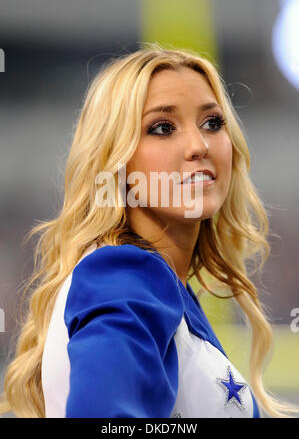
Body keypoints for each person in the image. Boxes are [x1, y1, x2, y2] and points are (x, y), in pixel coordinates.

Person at [0, 44, 298, 418]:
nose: (198, 145)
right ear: (115, 161)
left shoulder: (158, 284)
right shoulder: (125, 275)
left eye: (212, 123)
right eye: (162, 128)